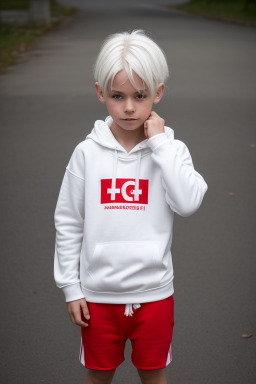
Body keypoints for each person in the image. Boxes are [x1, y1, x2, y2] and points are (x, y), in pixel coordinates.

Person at [54, 30, 208, 384]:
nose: (128, 107)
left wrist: (160, 146)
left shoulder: (171, 151)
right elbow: (68, 222)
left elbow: (188, 203)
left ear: (158, 92)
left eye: (140, 96)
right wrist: (71, 288)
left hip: (154, 294)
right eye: (117, 96)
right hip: (96, 297)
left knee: (153, 375)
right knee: (98, 374)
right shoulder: (86, 153)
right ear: (100, 93)